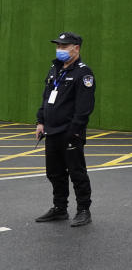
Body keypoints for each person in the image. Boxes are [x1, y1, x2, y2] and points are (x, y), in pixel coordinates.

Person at [35, 32, 96, 227]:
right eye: (58, 46)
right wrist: (40, 121)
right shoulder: (55, 69)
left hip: (70, 133)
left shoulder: (83, 73)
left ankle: (83, 210)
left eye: (64, 46)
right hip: (51, 130)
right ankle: (60, 208)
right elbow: (46, 97)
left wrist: (75, 130)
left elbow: (84, 107)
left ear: (76, 48)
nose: (59, 49)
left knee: (77, 172)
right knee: (54, 172)